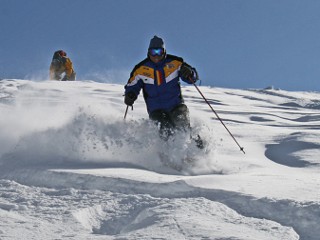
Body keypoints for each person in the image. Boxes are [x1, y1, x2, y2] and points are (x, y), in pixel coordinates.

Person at [124, 35, 203, 147]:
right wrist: (130, 94)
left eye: (159, 51)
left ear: (164, 51)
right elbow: (131, 85)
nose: (156, 55)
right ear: (148, 52)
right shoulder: (141, 69)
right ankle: (167, 157)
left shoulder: (175, 63)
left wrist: (189, 73)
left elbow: (193, 77)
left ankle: (197, 150)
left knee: (183, 125)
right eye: (153, 52)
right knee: (165, 130)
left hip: (176, 105)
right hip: (156, 109)